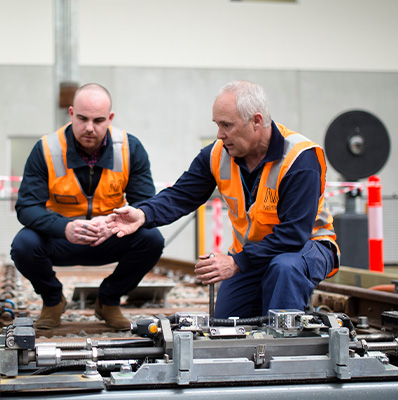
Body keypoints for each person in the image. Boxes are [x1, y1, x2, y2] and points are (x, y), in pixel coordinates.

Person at [107, 80, 339, 319]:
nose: (219, 134)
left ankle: (284, 344)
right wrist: (143, 214)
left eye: (227, 125)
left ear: (256, 121)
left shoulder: (300, 159)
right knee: (226, 324)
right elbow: (181, 195)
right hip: (253, 253)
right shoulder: (218, 154)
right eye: (217, 125)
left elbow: (293, 235)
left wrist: (236, 263)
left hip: (307, 247)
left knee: (284, 268)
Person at [11, 83, 164, 330]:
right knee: (23, 245)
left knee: (152, 239)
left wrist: (111, 225)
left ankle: (108, 301)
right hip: (61, 239)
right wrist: (65, 227)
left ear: (110, 118)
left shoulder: (130, 148)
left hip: (109, 237)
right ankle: (53, 301)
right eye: (82, 118)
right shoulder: (46, 149)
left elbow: (145, 205)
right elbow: (27, 207)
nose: (89, 128)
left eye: (98, 120)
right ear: (71, 113)